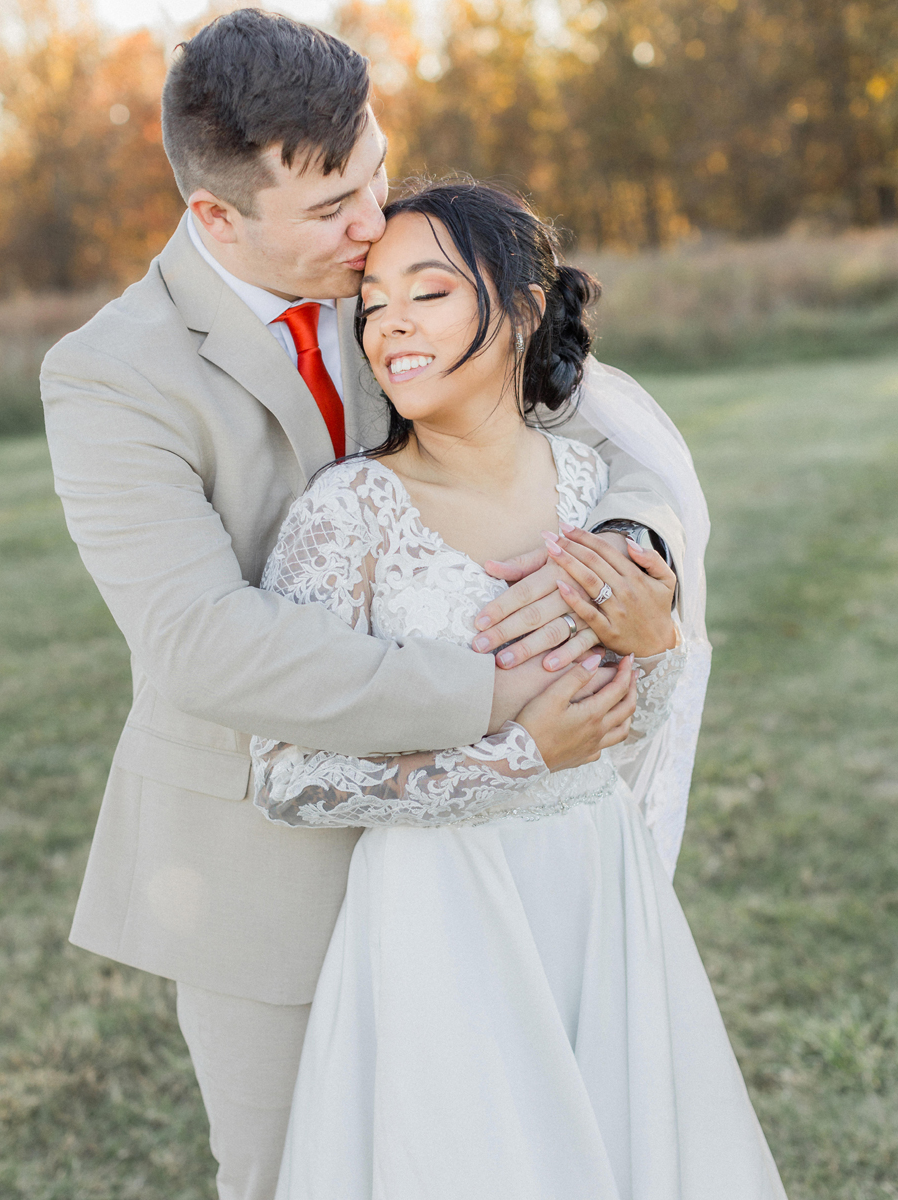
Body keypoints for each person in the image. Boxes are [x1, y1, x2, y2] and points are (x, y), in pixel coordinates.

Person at [39, 11, 688, 1200]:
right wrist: (502, 702)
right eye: (335, 205)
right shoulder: (109, 374)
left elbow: (608, 435)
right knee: (305, 1174)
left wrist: (633, 561)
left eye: (377, 174)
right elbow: (200, 643)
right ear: (216, 218)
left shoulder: (393, 273)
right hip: (263, 866)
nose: (373, 223)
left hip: (492, 865)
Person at [253, 180, 786, 1200]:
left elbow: (634, 722)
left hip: (596, 883)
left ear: (523, 309)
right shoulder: (346, 513)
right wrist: (518, 756)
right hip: (440, 915)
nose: (390, 323)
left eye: (430, 292)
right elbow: (289, 779)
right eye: (372, 302)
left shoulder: (597, 491)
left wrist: (657, 641)